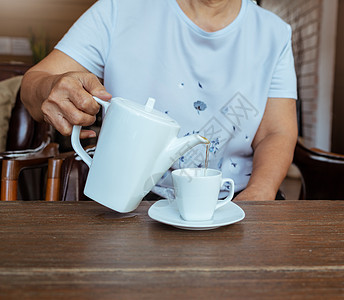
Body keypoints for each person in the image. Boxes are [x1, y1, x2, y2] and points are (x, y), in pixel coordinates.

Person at [21, 0, 298, 201]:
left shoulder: (274, 33)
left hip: (233, 197)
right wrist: (50, 87)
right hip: (127, 199)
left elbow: (277, 132)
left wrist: (259, 195)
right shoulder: (118, 9)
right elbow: (36, 81)